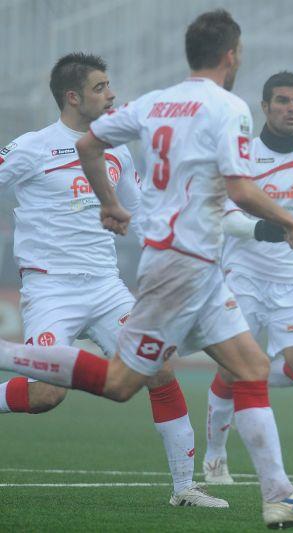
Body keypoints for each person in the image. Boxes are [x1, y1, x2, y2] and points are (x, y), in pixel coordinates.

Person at [0, 10, 293, 528]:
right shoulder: (227, 106)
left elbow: (90, 146)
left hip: (187, 266)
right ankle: (4, 353)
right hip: (178, 266)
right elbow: (239, 188)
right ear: (232, 55)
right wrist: (289, 223)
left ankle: (276, 494)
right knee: (119, 383)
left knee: (246, 367)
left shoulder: (155, 102)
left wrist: (111, 204)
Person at [0, 52, 225, 508]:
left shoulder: (117, 150)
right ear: (72, 96)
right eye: (101, 87)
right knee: (46, 395)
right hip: (51, 288)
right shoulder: (31, 147)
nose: (112, 94)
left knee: (159, 368)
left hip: (106, 287)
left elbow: (140, 215)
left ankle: (185, 487)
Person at [203, 71, 293, 484]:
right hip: (243, 276)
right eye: (282, 101)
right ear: (264, 106)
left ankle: (240, 373)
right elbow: (223, 211)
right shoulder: (242, 155)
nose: (291, 108)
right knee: (235, 368)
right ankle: (214, 457)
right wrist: (259, 229)